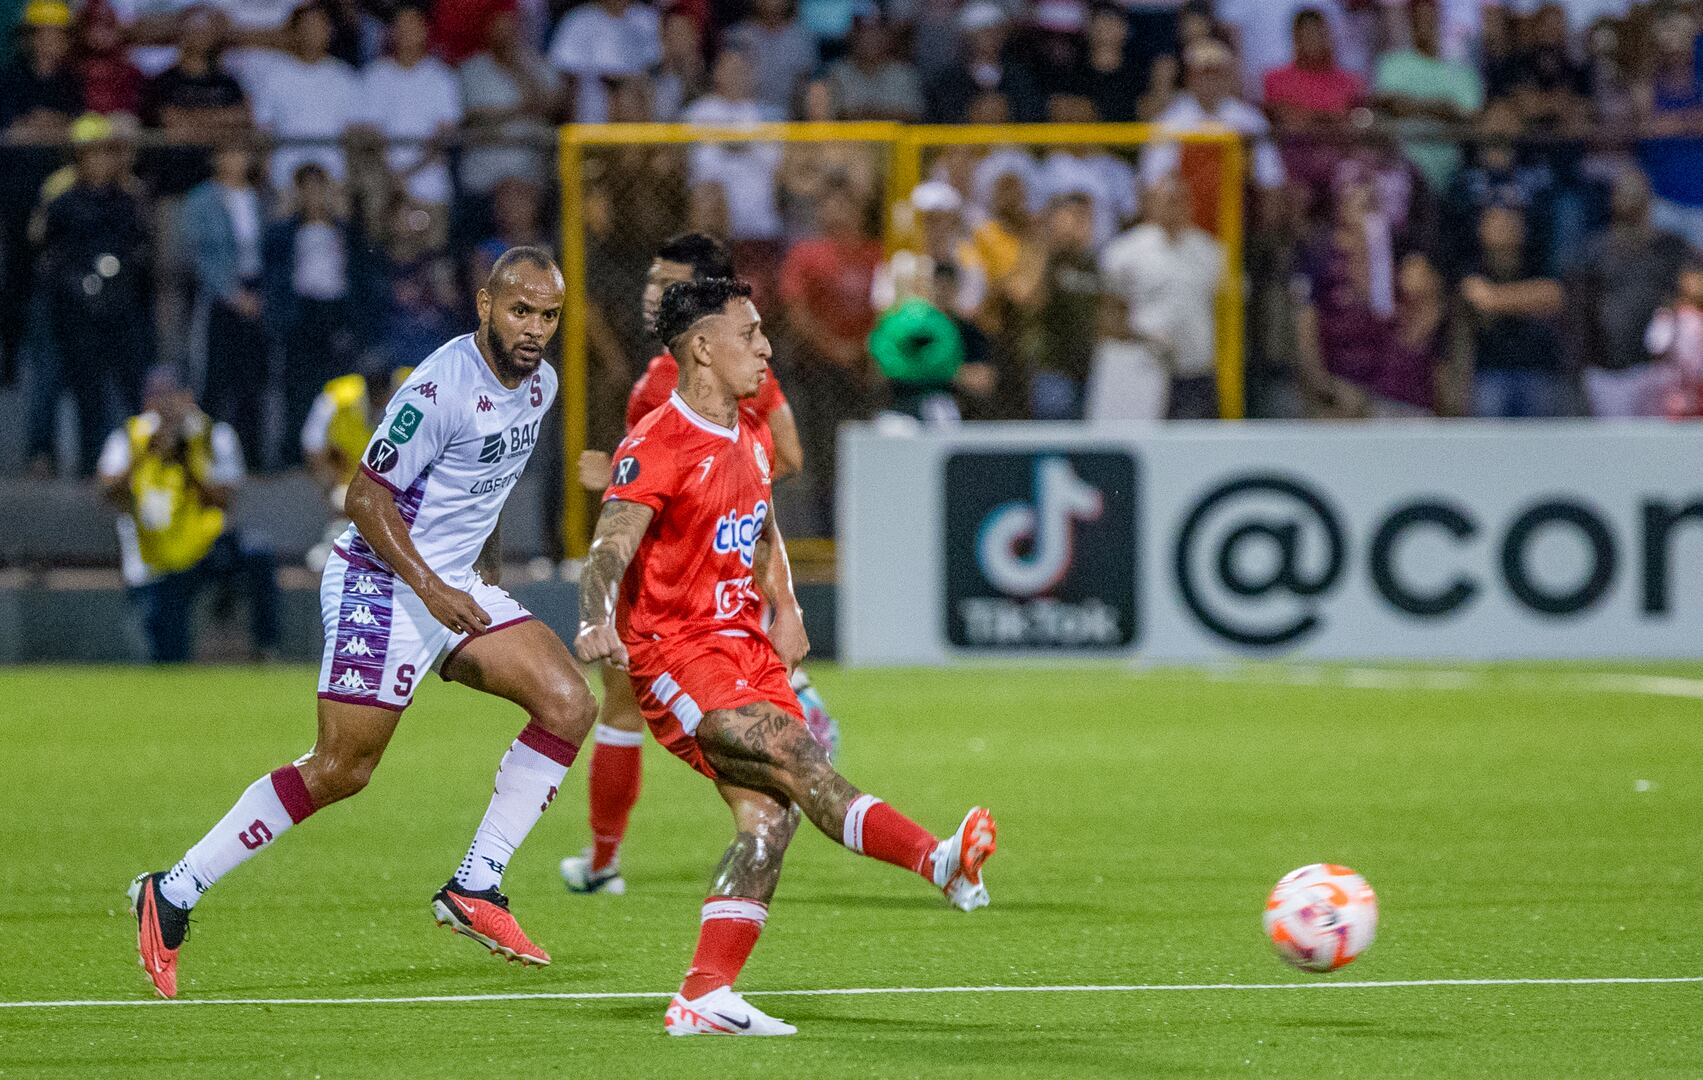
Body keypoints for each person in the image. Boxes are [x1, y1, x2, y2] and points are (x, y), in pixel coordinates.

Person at [128, 248, 596, 999]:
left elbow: (488, 489)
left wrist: (484, 571)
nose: (535, 328)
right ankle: (173, 890)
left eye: (548, 315)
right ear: (484, 305)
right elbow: (365, 498)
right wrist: (431, 588)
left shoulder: (540, 385)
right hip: (380, 583)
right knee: (342, 768)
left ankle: (476, 885)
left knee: (569, 704)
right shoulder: (437, 388)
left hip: (451, 586)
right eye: (521, 311)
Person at [572, 275, 997, 1036]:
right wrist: (593, 619)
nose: (766, 347)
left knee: (770, 818)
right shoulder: (657, 443)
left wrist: (789, 606)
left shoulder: (751, 432)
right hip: (678, 656)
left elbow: (762, 524)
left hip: (747, 649)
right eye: (749, 334)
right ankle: (936, 861)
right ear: (703, 348)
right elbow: (610, 545)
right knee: (798, 757)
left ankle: (704, 996)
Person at [560, 232, 823, 896]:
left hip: (687, 579)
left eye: (668, 283)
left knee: (624, 710)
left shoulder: (687, 377)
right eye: (651, 280)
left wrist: (680, 497)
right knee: (639, 709)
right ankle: (607, 861)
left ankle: (602, 862)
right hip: (714, 566)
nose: (651, 294)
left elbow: (768, 458)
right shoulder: (710, 371)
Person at [97, 366, 279, 664]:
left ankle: (266, 647)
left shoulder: (211, 434)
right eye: (157, 397)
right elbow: (107, 493)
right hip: (157, 555)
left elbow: (224, 501)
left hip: (207, 548)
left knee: (258, 554)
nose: (165, 406)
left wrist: (188, 461)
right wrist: (144, 456)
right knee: (169, 651)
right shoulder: (131, 437)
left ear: (187, 398)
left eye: (171, 396)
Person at [1096, 175, 1226, 420]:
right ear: (1152, 204)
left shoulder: (1210, 252)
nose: (1175, 208)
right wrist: (1141, 337)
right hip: (1144, 368)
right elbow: (1109, 314)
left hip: (1194, 371)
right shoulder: (1125, 252)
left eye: (1181, 200)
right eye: (1168, 200)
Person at [181, 142, 267, 462]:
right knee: (215, 378)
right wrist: (230, 293)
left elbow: (270, 249)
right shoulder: (201, 200)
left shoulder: (261, 197)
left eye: (242, 151)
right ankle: (206, 454)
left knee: (253, 378)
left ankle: (251, 455)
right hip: (219, 296)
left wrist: (261, 295)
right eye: (230, 152)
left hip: (257, 292)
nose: (237, 159)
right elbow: (199, 254)